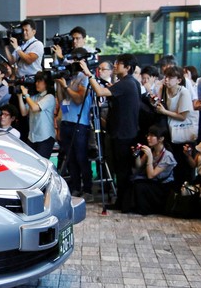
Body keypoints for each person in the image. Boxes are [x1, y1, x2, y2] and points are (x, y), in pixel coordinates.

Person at [81, 53, 140, 209]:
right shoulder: (129, 83)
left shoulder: (127, 83)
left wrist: (89, 74)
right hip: (125, 132)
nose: (115, 65)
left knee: (123, 171)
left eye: (119, 63)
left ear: (127, 67)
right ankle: (122, 202)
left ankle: (125, 204)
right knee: (121, 170)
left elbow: (100, 93)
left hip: (123, 134)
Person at [55, 47, 92, 201]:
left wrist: (65, 86)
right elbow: (63, 99)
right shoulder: (70, 77)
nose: (73, 63)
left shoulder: (84, 77)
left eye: (76, 59)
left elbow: (79, 99)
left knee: (81, 158)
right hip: (66, 122)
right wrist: (59, 84)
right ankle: (76, 188)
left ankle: (88, 190)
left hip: (80, 123)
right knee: (70, 158)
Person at [154, 66, 198, 189]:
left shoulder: (184, 92)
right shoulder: (163, 89)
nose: (166, 80)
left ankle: (187, 194)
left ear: (179, 80)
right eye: (165, 77)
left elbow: (183, 116)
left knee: (185, 166)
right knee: (174, 166)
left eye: (170, 77)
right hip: (170, 133)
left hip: (184, 134)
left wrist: (164, 112)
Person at [121, 125, 177, 215]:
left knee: (140, 186)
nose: (148, 138)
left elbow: (151, 175)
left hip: (163, 186)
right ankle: (128, 207)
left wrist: (150, 156)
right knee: (130, 180)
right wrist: (136, 155)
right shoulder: (152, 150)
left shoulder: (167, 156)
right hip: (154, 182)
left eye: (152, 136)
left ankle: (145, 209)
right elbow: (139, 165)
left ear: (161, 139)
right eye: (148, 135)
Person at [17, 71, 56, 159]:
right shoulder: (35, 97)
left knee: (42, 164)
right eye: (36, 81)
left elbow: (35, 108)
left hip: (45, 137)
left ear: (46, 83)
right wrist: (19, 96)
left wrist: (26, 95)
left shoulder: (49, 97)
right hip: (32, 137)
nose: (36, 84)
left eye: (39, 81)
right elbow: (24, 112)